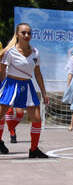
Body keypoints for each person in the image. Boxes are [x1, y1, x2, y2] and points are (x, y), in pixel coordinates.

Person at [0, 22, 49, 158]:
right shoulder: (10, 52)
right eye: (23, 32)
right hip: (10, 85)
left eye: (29, 33)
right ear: (17, 34)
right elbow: (2, 70)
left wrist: (44, 93)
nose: (26, 35)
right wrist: (3, 88)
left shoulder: (35, 52)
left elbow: (38, 73)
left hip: (27, 86)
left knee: (37, 118)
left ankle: (33, 150)